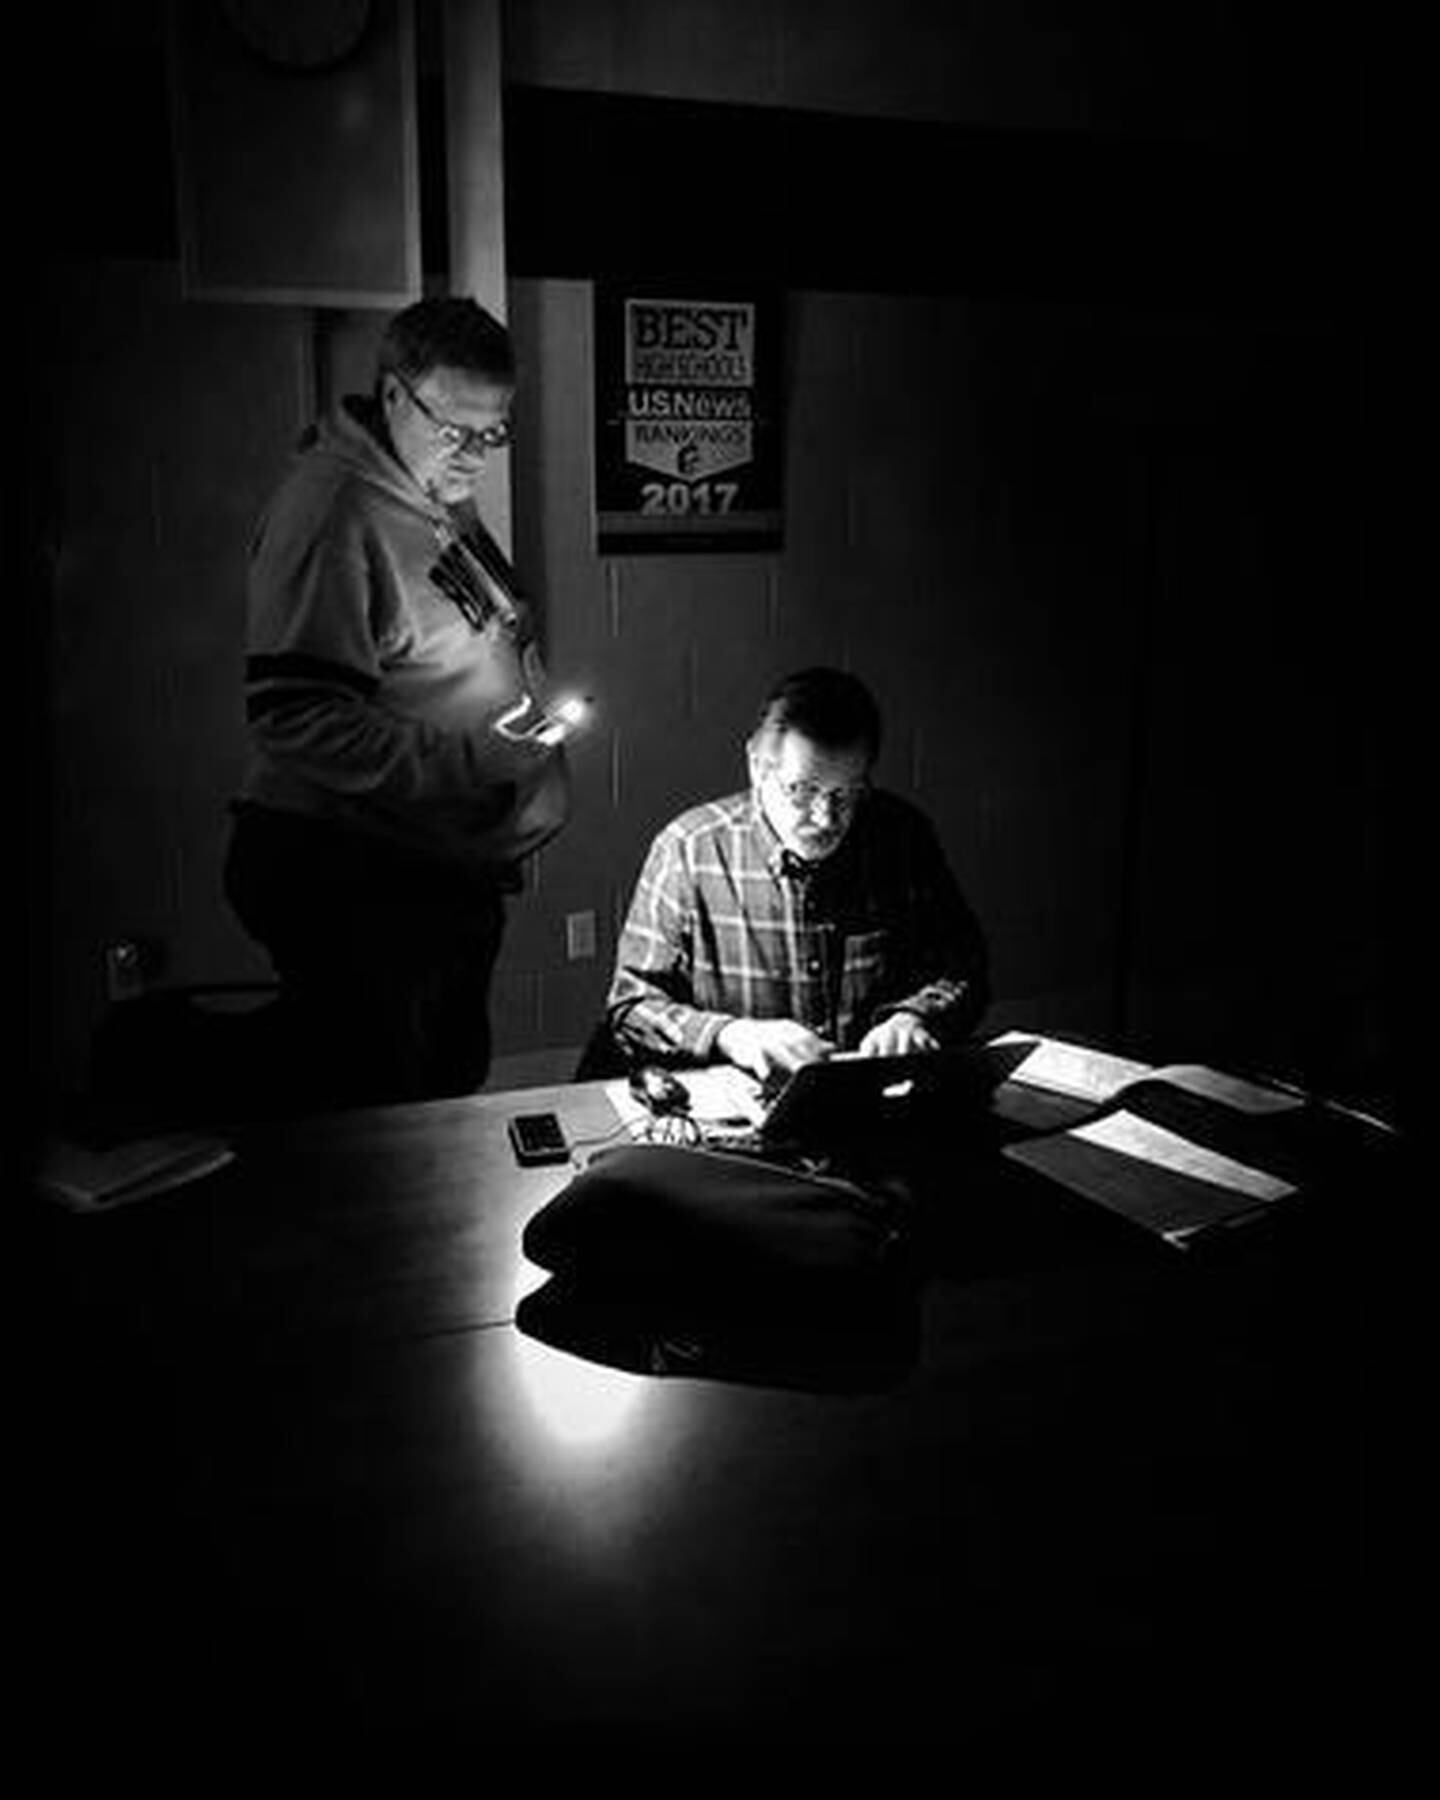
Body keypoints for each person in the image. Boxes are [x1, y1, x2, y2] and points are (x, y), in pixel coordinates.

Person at [224, 297, 575, 1109]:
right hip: (352, 871)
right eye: (454, 429)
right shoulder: (334, 512)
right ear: (392, 398)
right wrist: (474, 762)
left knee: (439, 1090)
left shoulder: (431, 492)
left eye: (494, 432)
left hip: (434, 868)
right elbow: (292, 715)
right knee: (379, 1117)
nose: (473, 457)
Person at [601, 667, 989, 1083]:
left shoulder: (902, 837)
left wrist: (915, 1016)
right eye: (802, 790)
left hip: (878, 1101)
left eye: (846, 793)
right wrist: (732, 1035)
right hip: (738, 1114)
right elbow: (631, 1008)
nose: (826, 818)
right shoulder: (688, 850)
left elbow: (964, 967)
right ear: (756, 766)